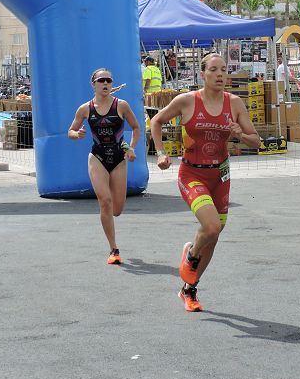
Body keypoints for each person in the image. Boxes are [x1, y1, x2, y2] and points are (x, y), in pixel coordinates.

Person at [150, 52, 260, 312]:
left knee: (214, 235)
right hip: (192, 174)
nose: (220, 74)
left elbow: (256, 141)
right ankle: (190, 256)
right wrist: (161, 152)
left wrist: (240, 134)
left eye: (224, 69)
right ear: (203, 74)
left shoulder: (234, 103)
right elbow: (156, 121)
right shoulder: (187, 101)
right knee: (210, 227)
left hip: (220, 176)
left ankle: (189, 289)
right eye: (214, 69)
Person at [67, 68, 141, 264]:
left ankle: (113, 237)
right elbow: (71, 131)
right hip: (97, 157)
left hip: (118, 158)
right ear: (93, 84)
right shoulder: (85, 109)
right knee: (105, 201)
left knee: (117, 209)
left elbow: (136, 127)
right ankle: (113, 249)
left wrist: (131, 148)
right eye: (101, 80)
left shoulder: (121, 105)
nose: (105, 83)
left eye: (108, 80)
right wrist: (77, 134)